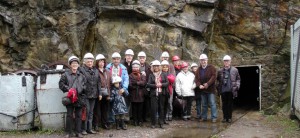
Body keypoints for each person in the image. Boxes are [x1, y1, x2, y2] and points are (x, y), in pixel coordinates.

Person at [59, 56, 85, 138]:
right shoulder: (65, 75)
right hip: (70, 97)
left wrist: (79, 90)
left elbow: (85, 86)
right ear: (70, 65)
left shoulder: (81, 76)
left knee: (79, 115)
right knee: (69, 115)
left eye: (76, 63)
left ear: (78, 64)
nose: (75, 65)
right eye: (73, 63)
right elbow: (61, 84)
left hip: (79, 97)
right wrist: (69, 89)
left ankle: (78, 132)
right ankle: (68, 132)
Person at [79, 53, 101, 134]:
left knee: (91, 112)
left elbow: (98, 82)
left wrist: (100, 93)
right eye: (88, 61)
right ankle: (83, 129)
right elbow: (80, 82)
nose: (89, 63)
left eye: (91, 61)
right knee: (86, 112)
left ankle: (89, 128)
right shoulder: (81, 70)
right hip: (85, 95)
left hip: (94, 94)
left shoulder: (95, 70)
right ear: (84, 62)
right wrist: (83, 90)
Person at [106, 52, 129, 124]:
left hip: (120, 87)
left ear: (120, 59)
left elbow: (126, 79)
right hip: (111, 87)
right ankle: (111, 120)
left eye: (117, 59)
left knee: (121, 104)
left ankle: (120, 121)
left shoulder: (123, 68)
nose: (116, 61)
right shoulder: (108, 67)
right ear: (112, 60)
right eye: (114, 59)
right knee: (111, 103)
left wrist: (124, 88)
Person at [217, 55, 241, 123]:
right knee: (224, 105)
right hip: (223, 90)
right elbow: (217, 80)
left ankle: (229, 118)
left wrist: (237, 86)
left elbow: (238, 79)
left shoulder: (235, 70)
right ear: (223, 62)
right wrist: (218, 87)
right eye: (225, 61)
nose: (226, 62)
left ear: (230, 62)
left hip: (231, 90)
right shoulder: (220, 71)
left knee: (230, 104)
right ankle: (225, 117)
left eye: (227, 61)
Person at [195, 54, 218, 123]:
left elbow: (214, 76)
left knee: (212, 103)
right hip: (203, 90)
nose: (203, 61)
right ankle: (204, 117)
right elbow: (196, 79)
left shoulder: (212, 67)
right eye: (202, 60)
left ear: (207, 60)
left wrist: (208, 84)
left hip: (210, 89)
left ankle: (214, 117)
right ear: (200, 61)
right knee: (204, 104)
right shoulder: (198, 69)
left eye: (204, 60)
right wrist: (199, 85)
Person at [147, 60, 169, 129]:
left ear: (159, 67)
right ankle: (153, 123)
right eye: (154, 66)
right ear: (153, 67)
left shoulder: (163, 74)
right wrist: (155, 85)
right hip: (153, 94)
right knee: (153, 108)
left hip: (162, 94)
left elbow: (167, 83)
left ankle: (161, 123)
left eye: (157, 66)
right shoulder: (151, 75)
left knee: (161, 108)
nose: (156, 67)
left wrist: (161, 84)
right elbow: (148, 84)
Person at [93, 54, 111, 130]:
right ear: (97, 62)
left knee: (105, 110)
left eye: (103, 62)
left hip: (106, 92)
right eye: (100, 61)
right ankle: (96, 125)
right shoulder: (95, 71)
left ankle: (105, 124)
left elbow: (109, 83)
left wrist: (109, 94)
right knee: (97, 110)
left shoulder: (107, 71)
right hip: (98, 93)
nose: (101, 63)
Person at [129, 60, 146, 126]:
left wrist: (136, 83)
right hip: (133, 94)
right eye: (134, 67)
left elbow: (144, 83)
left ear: (139, 67)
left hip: (141, 94)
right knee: (134, 109)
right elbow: (130, 85)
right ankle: (135, 121)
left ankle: (140, 120)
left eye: (136, 67)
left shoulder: (142, 75)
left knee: (140, 109)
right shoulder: (130, 75)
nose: (135, 68)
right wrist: (139, 84)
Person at [137, 51, 152, 122]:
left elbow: (150, 76)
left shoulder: (149, 67)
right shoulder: (135, 65)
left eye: (143, 58)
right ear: (138, 58)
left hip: (146, 87)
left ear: (145, 58)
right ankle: (138, 118)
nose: (142, 59)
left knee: (146, 103)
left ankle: (145, 117)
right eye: (140, 58)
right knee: (139, 103)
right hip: (138, 87)